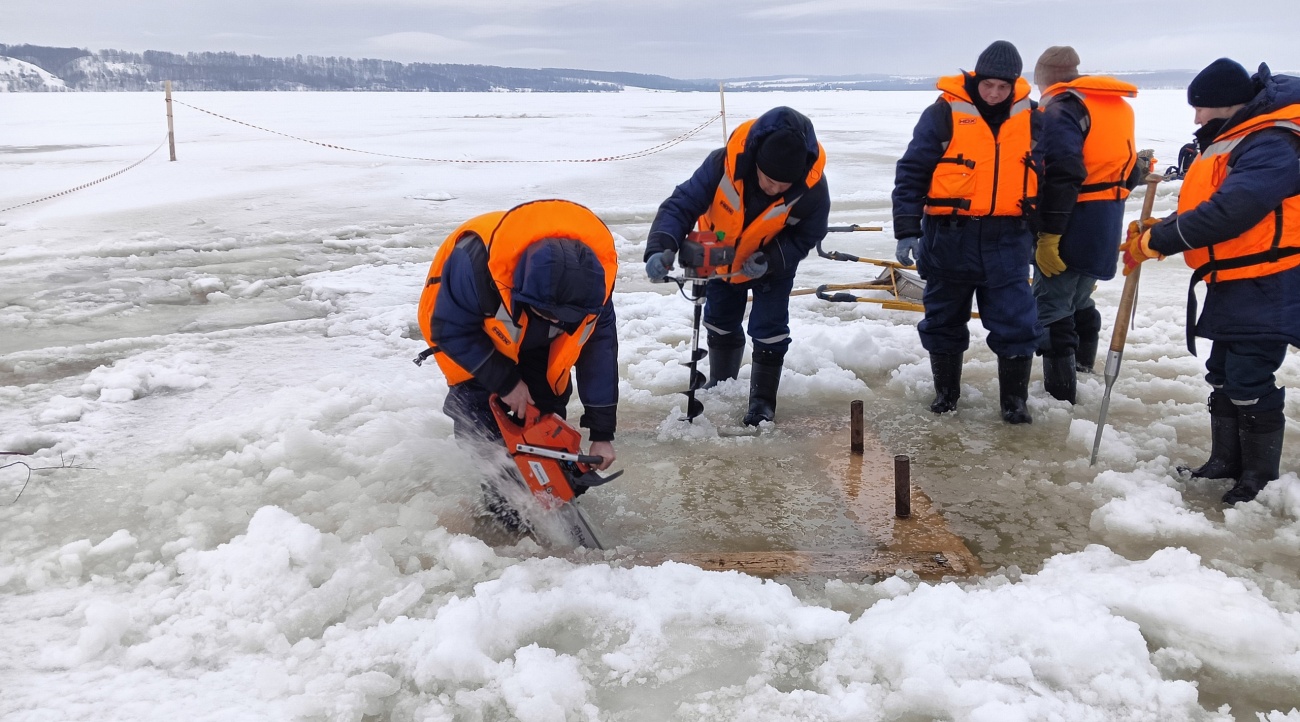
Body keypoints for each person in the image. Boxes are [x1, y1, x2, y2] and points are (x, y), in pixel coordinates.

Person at [1123, 58, 1300, 504]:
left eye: (1202, 109)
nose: (1197, 118)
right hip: (1234, 276)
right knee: (1223, 373)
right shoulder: (1237, 137)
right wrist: (1159, 227)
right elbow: (1213, 202)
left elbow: (1233, 211)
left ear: (1229, 105)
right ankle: (1226, 462)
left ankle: (1258, 476)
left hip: (1271, 277)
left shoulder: (1274, 142)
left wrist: (1161, 240)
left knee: (1248, 375)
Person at [415, 199, 620, 520]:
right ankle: (501, 510)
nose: (560, 325)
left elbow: (600, 353)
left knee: (546, 427)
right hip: (473, 333)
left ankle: (555, 493)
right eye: (551, 317)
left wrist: (603, 433)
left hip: (535, 341)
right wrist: (506, 382)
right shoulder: (474, 260)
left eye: (567, 320)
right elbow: (450, 328)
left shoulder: (594, 288)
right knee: (485, 423)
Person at [644, 106, 830, 426]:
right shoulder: (722, 164)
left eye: (782, 185)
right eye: (768, 180)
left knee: (770, 327)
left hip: (771, 263)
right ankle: (721, 383)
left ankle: (761, 402)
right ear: (756, 161)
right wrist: (661, 247)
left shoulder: (812, 187)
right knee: (719, 321)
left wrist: (772, 259)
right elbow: (682, 204)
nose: (773, 189)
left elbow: (809, 233)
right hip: (720, 255)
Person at [892, 40, 1043, 423]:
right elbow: (912, 172)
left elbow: (1057, 178)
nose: (994, 93)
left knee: (1016, 322)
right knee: (943, 319)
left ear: (1014, 85)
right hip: (949, 237)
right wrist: (907, 229)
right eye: (988, 84)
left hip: (1009, 238)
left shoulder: (1036, 119)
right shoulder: (943, 114)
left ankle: (1014, 401)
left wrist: (1050, 232)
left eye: (1003, 87)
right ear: (976, 78)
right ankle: (946, 394)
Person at [1031, 46, 1145, 402]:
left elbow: (1064, 173)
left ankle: (1061, 396)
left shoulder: (1062, 109)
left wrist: (1049, 233)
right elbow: (1127, 170)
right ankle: (1084, 371)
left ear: (1043, 77)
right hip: (1106, 219)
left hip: (1071, 220)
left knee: (1052, 305)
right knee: (1080, 297)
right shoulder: (1115, 106)